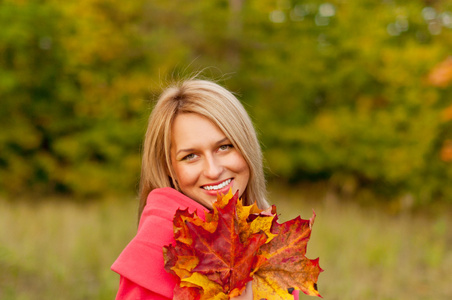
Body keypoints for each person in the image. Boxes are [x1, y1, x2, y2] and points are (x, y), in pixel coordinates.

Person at [111, 79, 299, 299]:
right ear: (169, 168)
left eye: (224, 147)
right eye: (190, 156)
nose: (212, 170)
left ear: (246, 146)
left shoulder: (265, 239)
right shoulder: (158, 249)